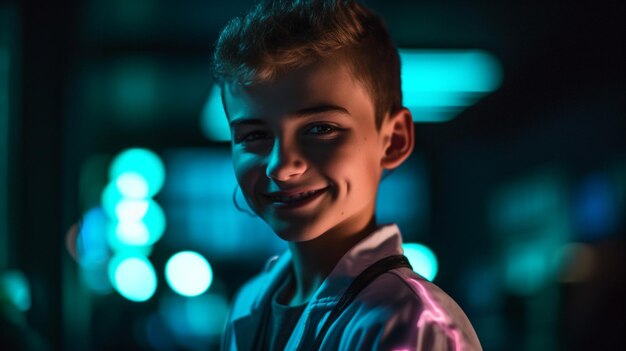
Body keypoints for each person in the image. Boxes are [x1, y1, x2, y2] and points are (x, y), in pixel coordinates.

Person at [212, 0, 482, 350]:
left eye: (320, 128)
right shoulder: (249, 304)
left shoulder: (413, 322)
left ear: (394, 141)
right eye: (253, 135)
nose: (281, 166)